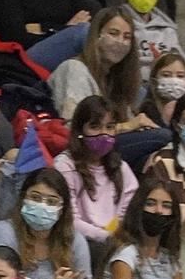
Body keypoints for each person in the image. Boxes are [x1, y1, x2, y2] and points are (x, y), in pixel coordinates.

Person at [48, 8, 166, 169]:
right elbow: (74, 128)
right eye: (113, 33)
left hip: (110, 148)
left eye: (127, 37)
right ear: (97, 36)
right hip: (81, 149)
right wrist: (129, 126)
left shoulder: (117, 80)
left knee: (158, 157)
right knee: (163, 137)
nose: (121, 42)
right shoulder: (74, 69)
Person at [0, 168, 92, 279]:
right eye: (35, 198)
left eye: (52, 202)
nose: (42, 206)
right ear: (23, 199)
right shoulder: (1, 233)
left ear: (62, 209)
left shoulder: (74, 240)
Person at [53, 97, 137, 257]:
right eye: (95, 126)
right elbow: (69, 220)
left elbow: (128, 210)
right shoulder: (64, 166)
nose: (103, 134)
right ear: (79, 131)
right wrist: (104, 235)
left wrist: (112, 231)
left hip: (113, 239)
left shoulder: (121, 167)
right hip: (77, 242)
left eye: (110, 127)